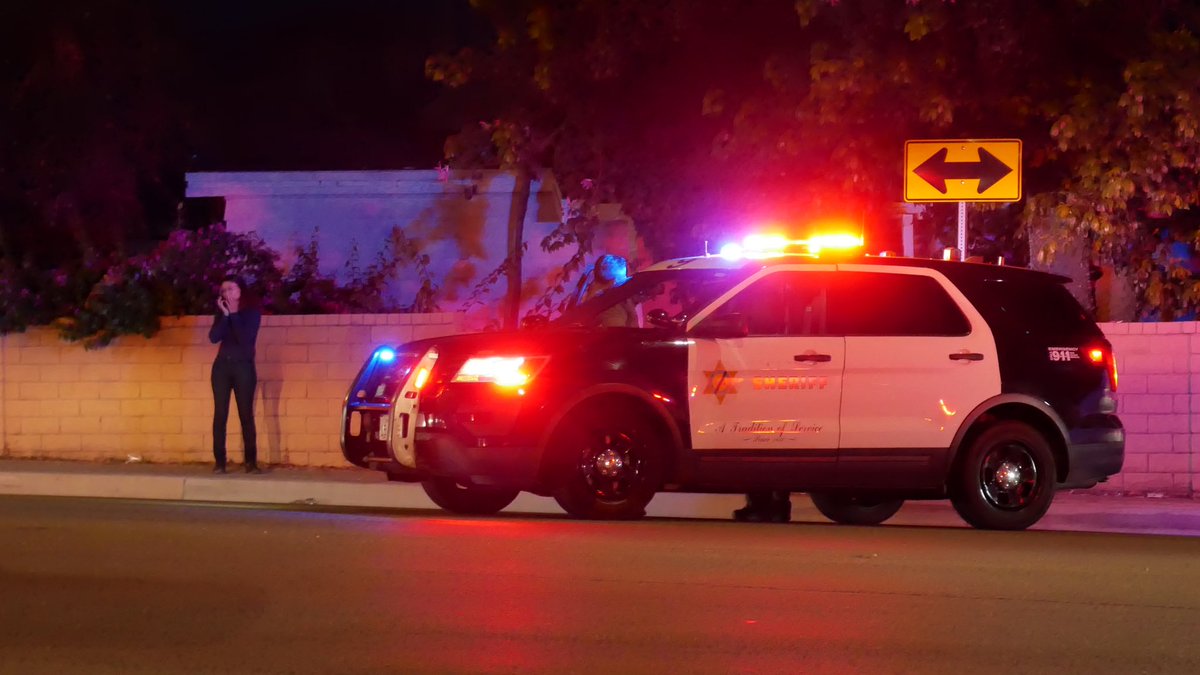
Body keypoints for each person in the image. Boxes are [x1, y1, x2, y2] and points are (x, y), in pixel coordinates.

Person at [208, 275, 263, 474]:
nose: (227, 293)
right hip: (222, 368)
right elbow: (214, 338)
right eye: (223, 290)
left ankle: (250, 462)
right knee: (220, 414)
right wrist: (225, 316)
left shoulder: (251, 314)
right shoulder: (222, 313)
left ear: (241, 291)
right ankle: (220, 462)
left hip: (244, 368)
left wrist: (233, 315)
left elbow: (244, 339)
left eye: (231, 288)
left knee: (245, 414)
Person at [584, 254, 639, 328]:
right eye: (624, 277)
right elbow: (623, 336)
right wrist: (632, 314)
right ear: (616, 280)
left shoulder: (592, 295)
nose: (627, 280)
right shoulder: (612, 306)